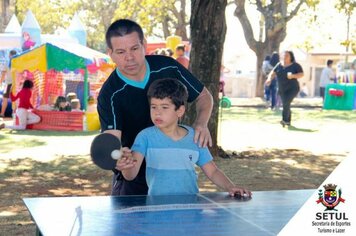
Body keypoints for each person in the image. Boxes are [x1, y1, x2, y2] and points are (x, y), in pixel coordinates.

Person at [97, 19, 213, 196]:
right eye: (120, 52)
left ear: (144, 45)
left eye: (134, 48)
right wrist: (120, 158)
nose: (129, 57)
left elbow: (204, 96)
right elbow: (112, 141)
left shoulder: (168, 66)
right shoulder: (109, 94)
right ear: (110, 53)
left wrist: (201, 123)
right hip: (134, 174)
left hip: (171, 174)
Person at [118, 78, 251, 197]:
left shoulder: (195, 137)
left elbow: (213, 171)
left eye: (164, 107)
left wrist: (230, 186)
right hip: (157, 209)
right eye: (153, 107)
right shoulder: (145, 137)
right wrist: (126, 165)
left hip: (190, 207)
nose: (157, 112)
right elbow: (130, 175)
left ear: (180, 111)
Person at [266, 51, 304, 126]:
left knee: (286, 103)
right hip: (282, 89)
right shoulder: (279, 65)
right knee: (286, 104)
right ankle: (288, 121)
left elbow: (301, 74)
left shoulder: (295, 65)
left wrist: (293, 76)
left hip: (293, 88)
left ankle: (284, 120)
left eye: (287, 55)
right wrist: (269, 79)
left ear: (291, 57)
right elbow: (273, 73)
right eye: (284, 55)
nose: (285, 57)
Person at [0, 50, 17, 118]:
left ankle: (2, 113)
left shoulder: (6, 63)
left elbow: (3, 75)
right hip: (15, 84)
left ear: (9, 55)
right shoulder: (18, 63)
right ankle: (15, 114)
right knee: (15, 99)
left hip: (7, 84)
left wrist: (0, 82)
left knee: (5, 99)